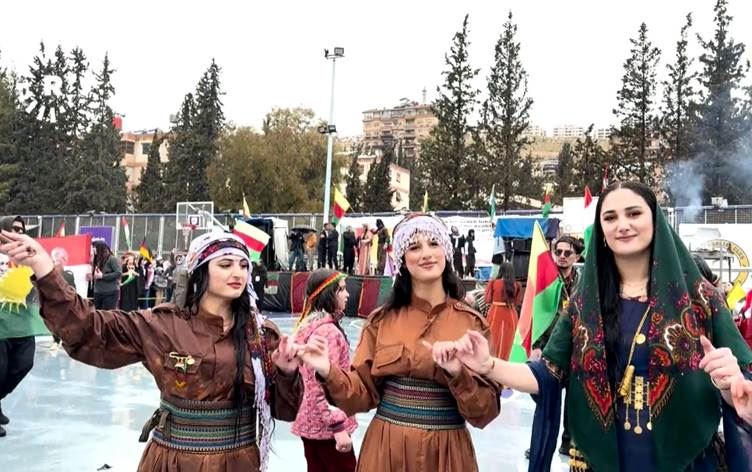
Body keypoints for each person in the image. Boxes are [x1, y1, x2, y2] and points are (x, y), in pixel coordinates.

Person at [437, 182, 752, 471]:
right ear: (601, 231)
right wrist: (488, 365)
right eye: (610, 217)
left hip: (687, 463)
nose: (622, 225)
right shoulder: (585, 303)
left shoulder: (699, 298)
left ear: (656, 221)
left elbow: (741, 386)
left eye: (634, 213)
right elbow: (547, 374)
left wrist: (730, 385)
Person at [0, 229, 303, 471]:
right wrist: (44, 268)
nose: (238, 272)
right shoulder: (163, 325)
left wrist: (287, 373)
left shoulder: (261, 335)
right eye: (225, 265)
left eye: (243, 265)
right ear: (200, 271)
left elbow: (285, 411)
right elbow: (90, 330)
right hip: (173, 461)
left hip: (237, 463)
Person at [297, 213, 501, 472]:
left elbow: (484, 412)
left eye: (434, 243)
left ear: (446, 252)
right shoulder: (381, 321)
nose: (426, 254)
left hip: (447, 454)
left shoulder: (471, 324)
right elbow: (361, 394)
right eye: (414, 247)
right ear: (402, 258)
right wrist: (329, 371)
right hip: (387, 452)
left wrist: (458, 373)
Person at [292, 269, 357, 472]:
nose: (347, 295)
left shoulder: (309, 327)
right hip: (328, 429)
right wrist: (338, 426)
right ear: (328, 294)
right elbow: (323, 383)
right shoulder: (327, 332)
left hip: (311, 423)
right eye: (342, 290)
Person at [525, 234, 582, 458]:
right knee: (546, 399)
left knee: (573, 401)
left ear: (577, 256)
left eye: (567, 253)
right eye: (558, 252)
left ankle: (568, 442)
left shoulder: (583, 282)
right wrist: (536, 345)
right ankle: (540, 443)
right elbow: (535, 313)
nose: (562, 256)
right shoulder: (546, 281)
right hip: (550, 349)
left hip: (575, 349)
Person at [0, 216, 42, 438]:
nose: (17, 233)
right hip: (0, 320)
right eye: (13, 229)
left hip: (22, 319)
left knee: (24, 363)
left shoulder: (29, 257)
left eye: (21, 230)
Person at [484, 262, 520, 361]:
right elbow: (517, 302)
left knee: (493, 338)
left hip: (496, 313)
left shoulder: (494, 283)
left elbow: (487, 299)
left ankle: (492, 361)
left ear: (501, 271)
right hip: (511, 314)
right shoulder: (516, 285)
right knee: (509, 340)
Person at [90, 241, 122, 309]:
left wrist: (103, 276)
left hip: (110, 292)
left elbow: (118, 273)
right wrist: (92, 275)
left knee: (107, 314)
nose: (92, 250)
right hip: (98, 292)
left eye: (94, 248)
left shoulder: (112, 259)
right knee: (97, 313)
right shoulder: (96, 259)